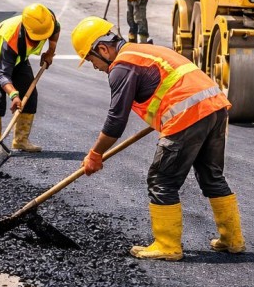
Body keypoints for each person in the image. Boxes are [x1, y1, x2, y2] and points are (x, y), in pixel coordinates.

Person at [70, 16, 245, 261]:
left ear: (102, 49)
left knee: (162, 179)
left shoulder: (121, 66)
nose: (94, 66)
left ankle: (167, 245)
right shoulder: (143, 51)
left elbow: (115, 121)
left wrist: (95, 154)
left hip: (188, 114)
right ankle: (233, 240)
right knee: (211, 175)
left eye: (91, 59)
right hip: (214, 107)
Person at [0, 4, 60, 152]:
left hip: (19, 58)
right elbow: (2, 75)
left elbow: (56, 29)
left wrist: (50, 51)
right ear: (27, 30)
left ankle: (20, 141)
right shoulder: (9, 40)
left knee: (30, 96)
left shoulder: (48, 19)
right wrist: (14, 95)